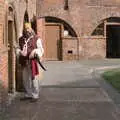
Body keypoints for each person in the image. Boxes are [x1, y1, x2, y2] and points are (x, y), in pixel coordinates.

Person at [16, 22, 44, 102]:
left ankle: (35, 95)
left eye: (28, 28)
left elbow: (41, 50)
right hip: (24, 61)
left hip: (33, 62)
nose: (27, 30)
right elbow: (17, 48)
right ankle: (28, 94)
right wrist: (20, 52)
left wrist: (35, 51)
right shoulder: (21, 39)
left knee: (34, 78)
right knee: (25, 79)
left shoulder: (36, 38)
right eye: (25, 29)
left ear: (31, 29)